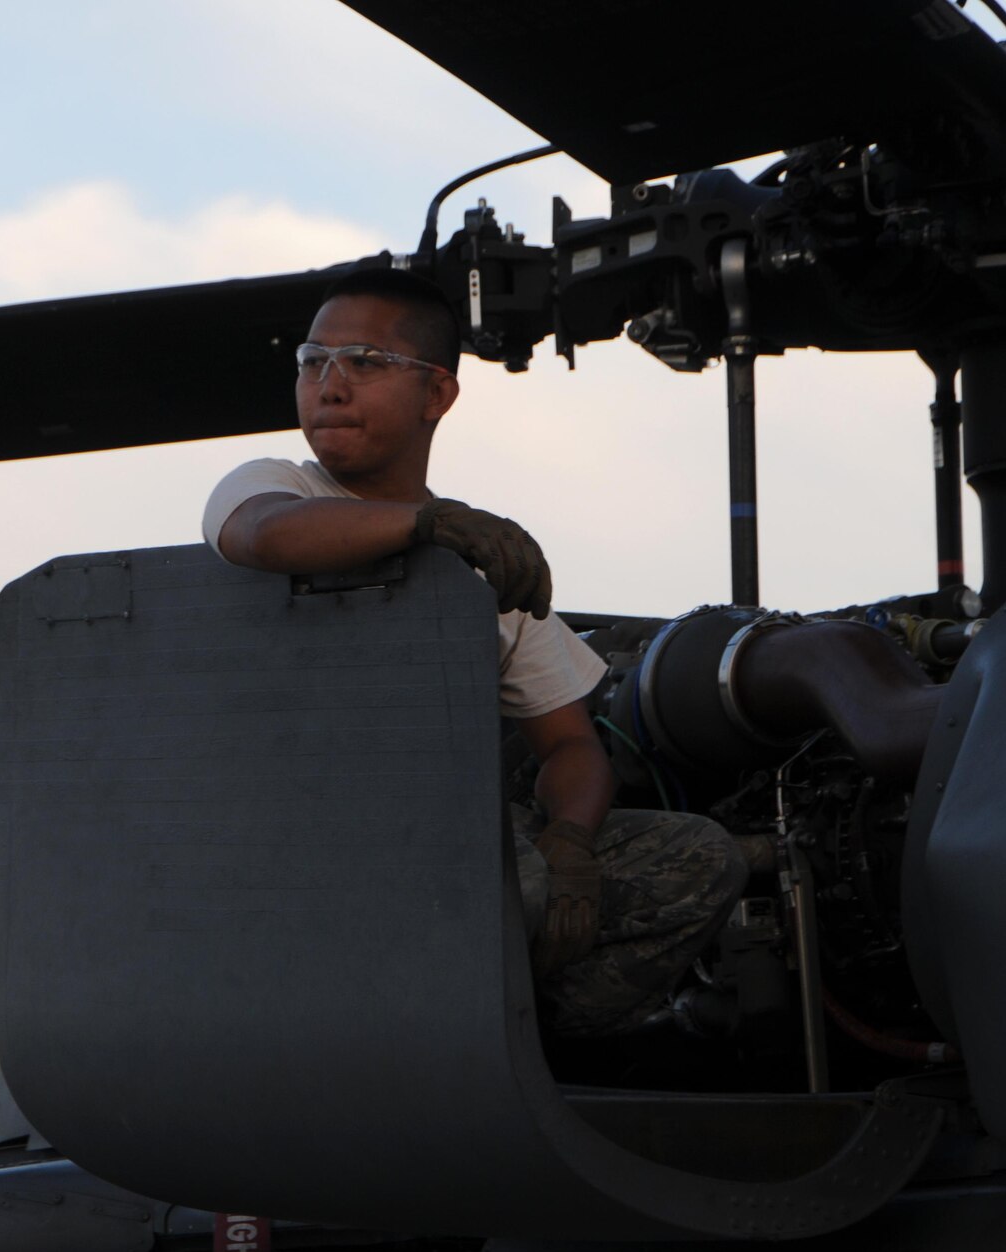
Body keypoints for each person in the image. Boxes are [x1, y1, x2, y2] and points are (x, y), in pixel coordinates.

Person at [202, 267, 744, 1037]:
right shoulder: (278, 487)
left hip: (443, 851)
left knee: (699, 858)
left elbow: (570, 749)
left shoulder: (484, 565)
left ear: (438, 395)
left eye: (364, 362)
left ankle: (532, 1049)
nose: (329, 386)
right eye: (312, 361)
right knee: (501, 880)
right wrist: (427, 527)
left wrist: (572, 842)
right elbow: (259, 534)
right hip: (290, 846)